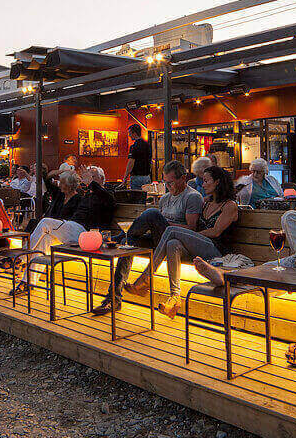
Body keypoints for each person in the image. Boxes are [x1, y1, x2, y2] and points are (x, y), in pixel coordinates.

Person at [112, 166, 239, 319]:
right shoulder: (206, 202)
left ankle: (146, 278)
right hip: (198, 246)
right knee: (172, 244)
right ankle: (175, 298)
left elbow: (215, 232)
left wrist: (189, 235)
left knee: (171, 231)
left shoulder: (230, 206)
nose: (203, 184)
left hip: (216, 250)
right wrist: (188, 237)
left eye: (206, 181)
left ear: (217, 182)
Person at [95, 161, 204, 314]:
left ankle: (117, 237)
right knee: (129, 242)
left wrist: (164, 223)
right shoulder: (165, 198)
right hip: (159, 242)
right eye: (165, 182)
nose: (168, 186)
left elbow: (191, 229)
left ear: (183, 178)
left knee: (152, 215)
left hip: (178, 243)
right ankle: (113, 299)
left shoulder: (192, 197)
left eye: (171, 182)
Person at [11, 167, 117, 295]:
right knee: (46, 239)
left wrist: (91, 183)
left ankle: (21, 257)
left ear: (102, 179)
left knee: (46, 222)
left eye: (93, 177)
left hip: (88, 234)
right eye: (88, 177)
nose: (89, 179)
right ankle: (28, 282)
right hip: (74, 230)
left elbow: (110, 201)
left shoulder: (107, 193)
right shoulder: (87, 194)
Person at [123, 125, 153, 189]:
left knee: (137, 197)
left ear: (134, 133)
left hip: (136, 178)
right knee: (146, 197)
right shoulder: (148, 145)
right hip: (147, 177)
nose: (129, 135)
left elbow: (131, 163)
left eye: (130, 133)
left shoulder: (134, 146)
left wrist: (125, 179)